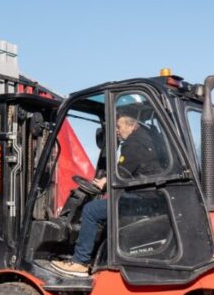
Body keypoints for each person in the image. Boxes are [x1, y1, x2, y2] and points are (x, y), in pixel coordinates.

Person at [49, 111, 165, 277]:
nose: (116, 130)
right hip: (151, 197)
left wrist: (105, 182)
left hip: (142, 199)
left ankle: (80, 261)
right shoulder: (148, 138)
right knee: (100, 208)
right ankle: (93, 255)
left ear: (132, 125)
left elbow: (122, 175)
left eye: (118, 126)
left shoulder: (133, 143)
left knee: (91, 210)